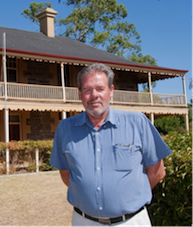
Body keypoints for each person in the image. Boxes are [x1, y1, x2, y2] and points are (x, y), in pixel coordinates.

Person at [50, 63, 172, 226]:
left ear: (111, 91)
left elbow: (157, 171)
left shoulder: (138, 122)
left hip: (131, 221)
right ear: (79, 94)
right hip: (84, 221)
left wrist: (132, 196)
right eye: (87, 90)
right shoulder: (65, 129)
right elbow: (66, 173)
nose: (94, 95)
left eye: (100, 89)